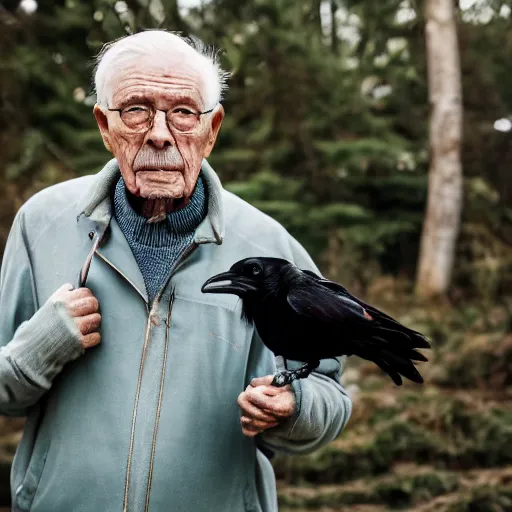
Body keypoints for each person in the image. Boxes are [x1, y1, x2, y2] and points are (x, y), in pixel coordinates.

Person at [0, 30, 352, 512]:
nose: (161, 134)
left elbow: (329, 392)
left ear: (212, 129)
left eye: (184, 112)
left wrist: (294, 408)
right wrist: (35, 351)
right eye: (136, 110)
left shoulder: (268, 247)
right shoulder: (42, 224)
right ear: (105, 125)